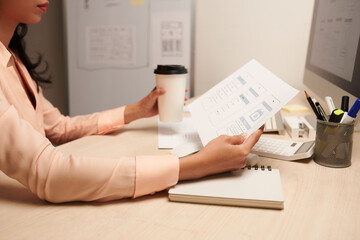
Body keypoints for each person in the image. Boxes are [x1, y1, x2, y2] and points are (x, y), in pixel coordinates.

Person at [0, 0, 263, 203]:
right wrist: (196, 165)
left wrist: (135, 111)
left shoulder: (13, 59)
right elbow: (50, 174)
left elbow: (59, 128)